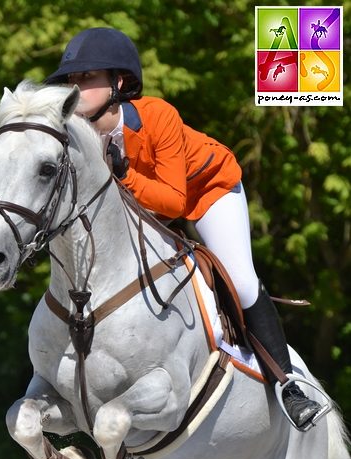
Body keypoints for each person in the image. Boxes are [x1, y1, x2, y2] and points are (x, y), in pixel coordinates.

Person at [46, 27, 323, 430]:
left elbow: (175, 202)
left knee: (241, 281)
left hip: (209, 191)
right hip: (147, 207)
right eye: (72, 80)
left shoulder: (157, 115)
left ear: (119, 83)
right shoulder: (78, 135)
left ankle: (290, 388)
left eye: (87, 78)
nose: (75, 87)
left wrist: (120, 178)